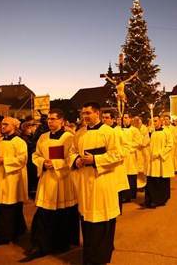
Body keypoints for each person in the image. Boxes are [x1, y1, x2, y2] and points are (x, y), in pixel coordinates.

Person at [20, 109, 79, 262]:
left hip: (63, 180)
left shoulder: (69, 138)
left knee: (62, 213)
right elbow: (36, 155)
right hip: (47, 179)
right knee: (44, 213)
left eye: (53, 119)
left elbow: (71, 158)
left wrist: (57, 163)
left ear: (62, 121)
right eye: (49, 119)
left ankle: (60, 244)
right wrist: (43, 163)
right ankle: (40, 245)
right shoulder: (43, 137)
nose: (50, 122)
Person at [69, 102, 121, 265]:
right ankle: (89, 253)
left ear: (97, 113)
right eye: (83, 113)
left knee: (103, 217)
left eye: (88, 113)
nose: (85, 116)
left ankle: (101, 255)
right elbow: (72, 152)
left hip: (102, 181)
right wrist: (76, 160)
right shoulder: (79, 133)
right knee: (87, 219)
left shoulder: (108, 132)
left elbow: (118, 155)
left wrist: (95, 159)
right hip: (85, 180)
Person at [0, 117, 28, 250]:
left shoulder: (20, 142)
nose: (3, 126)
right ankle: (16, 229)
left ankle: (3, 235)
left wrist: (5, 160)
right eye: (2, 124)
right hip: (1, 176)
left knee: (11, 206)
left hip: (13, 177)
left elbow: (22, 159)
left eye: (6, 124)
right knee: (3, 206)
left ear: (14, 126)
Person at [142, 115, 174, 209]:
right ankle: (151, 200)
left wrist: (160, 153)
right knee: (151, 180)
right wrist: (149, 133)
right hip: (152, 161)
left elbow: (170, 145)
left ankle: (161, 199)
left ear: (161, 122)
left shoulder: (166, 132)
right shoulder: (150, 132)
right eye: (152, 121)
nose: (154, 123)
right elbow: (144, 143)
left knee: (162, 180)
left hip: (162, 160)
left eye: (155, 121)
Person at [20, 122, 38, 197]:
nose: (32, 129)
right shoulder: (24, 138)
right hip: (28, 159)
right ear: (26, 129)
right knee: (29, 175)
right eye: (30, 128)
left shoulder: (29, 136)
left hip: (31, 158)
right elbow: (29, 147)